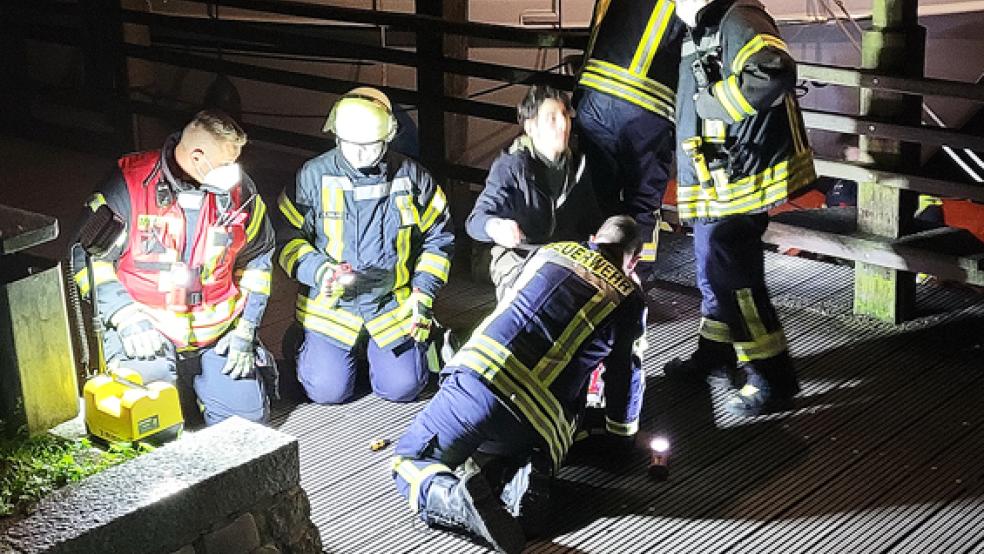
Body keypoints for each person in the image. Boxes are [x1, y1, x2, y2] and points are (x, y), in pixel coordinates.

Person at [391, 216, 647, 554]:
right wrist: (621, 438)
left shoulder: (551, 252)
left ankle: (453, 501)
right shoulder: (629, 298)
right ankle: (521, 475)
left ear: (593, 236)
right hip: (540, 425)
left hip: (478, 383)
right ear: (635, 262)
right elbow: (624, 375)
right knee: (501, 445)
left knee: (408, 460)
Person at [72, 110, 275, 425]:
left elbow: (260, 255)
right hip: (147, 328)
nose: (233, 172)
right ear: (197, 156)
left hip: (218, 331)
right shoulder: (130, 183)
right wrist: (125, 317)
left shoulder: (240, 191)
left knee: (246, 426)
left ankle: (203, 391)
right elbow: (86, 258)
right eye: (226, 163)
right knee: (148, 423)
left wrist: (247, 329)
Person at [665, 0, 817, 416]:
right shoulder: (699, 25)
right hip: (713, 180)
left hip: (738, 180)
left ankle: (771, 374)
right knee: (710, 267)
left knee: (734, 276)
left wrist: (717, 105)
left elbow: (775, 69)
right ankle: (716, 348)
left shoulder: (737, 19)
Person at [276, 86, 454, 404]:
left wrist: (423, 292)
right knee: (328, 392)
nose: (360, 153)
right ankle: (304, 344)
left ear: (388, 137)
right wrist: (319, 272)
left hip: (391, 304)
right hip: (333, 308)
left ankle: (382, 353)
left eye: (369, 145)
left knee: (402, 388)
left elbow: (439, 240)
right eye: (351, 144)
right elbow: (286, 239)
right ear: (336, 136)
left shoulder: (414, 178)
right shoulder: (311, 176)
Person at [574, 0, 687, 280]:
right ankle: (637, 280)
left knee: (601, 196)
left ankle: (597, 277)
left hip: (595, 96)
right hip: (646, 104)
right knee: (643, 202)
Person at [466, 85, 601, 299]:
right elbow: (475, 220)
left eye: (565, 115)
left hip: (562, 257)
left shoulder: (577, 165)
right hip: (519, 255)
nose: (563, 125)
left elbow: (593, 221)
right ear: (531, 127)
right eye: (552, 118)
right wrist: (496, 227)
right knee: (532, 295)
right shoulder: (512, 166)